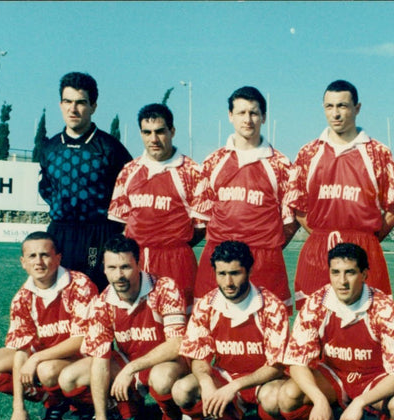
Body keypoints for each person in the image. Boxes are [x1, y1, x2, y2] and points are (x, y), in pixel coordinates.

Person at [278, 243, 394, 420]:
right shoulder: (316, 303)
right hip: (335, 377)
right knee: (288, 394)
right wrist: (319, 400)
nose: (342, 281)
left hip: (374, 380)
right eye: (335, 272)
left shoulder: (384, 308)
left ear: (364, 274)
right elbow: (296, 362)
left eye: (350, 272)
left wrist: (359, 402)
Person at [58, 235, 189, 420]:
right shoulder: (102, 303)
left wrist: (131, 369)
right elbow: (99, 362)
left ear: (138, 265)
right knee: (69, 378)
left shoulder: (165, 288)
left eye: (126, 267)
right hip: (131, 361)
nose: (119, 275)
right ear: (104, 269)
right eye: (112, 267)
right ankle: (128, 413)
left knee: (161, 377)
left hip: (168, 362)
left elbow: (176, 344)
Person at [286, 80, 394, 310]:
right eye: (330, 107)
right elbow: (297, 207)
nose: (336, 114)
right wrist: (323, 235)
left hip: (364, 248)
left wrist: (366, 238)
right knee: (313, 327)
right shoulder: (309, 152)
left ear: (357, 108)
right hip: (319, 248)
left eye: (343, 106)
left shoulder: (378, 152)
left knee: (368, 328)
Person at [172, 241, 290, 420]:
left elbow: (277, 366)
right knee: (182, 389)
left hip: (262, 379)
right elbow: (198, 356)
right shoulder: (206, 304)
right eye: (222, 273)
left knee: (273, 398)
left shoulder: (272, 306)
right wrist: (207, 383)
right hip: (225, 374)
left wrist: (236, 386)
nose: (228, 282)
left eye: (235, 273)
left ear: (250, 270)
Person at [0, 231, 97, 420]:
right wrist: (18, 408)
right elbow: (22, 351)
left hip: (82, 357)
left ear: (58, 258)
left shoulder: (80, 285)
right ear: (23, 262)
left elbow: (82, 340)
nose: (38, 262)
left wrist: (38, 358)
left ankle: (84, 408)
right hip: (47, 359)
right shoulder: (22, 298)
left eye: (45, 255)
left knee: (46, 370)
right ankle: (53, 402)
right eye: (32, 256)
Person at [192, 86, 297, 310]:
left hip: (264, 260)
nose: (247, 119)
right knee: (212, 328)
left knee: (266, 330)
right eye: (241, 113)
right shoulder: (213, 162)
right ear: (230, 116)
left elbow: (291, 221)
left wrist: (269, 246)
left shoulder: (281, 165)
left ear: (264, 117)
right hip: (219, 258)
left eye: (253, 113)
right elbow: (202, 217)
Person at [38, 71, 133, 291]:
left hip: (97, 236)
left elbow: (128, 193)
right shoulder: (50, 148)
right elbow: (47, 189)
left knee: (94, 293)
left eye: (81, 102)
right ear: (60, 104)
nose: (73, 109)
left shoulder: (110, 148)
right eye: (67, 101)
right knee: (58, 294)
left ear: (93, 107)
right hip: (60, 233)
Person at [108, 103, 205, 310]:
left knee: (178, 323)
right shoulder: (129, 171)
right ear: (141, 133)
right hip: (136, 260)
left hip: (176, 260)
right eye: (147, 132)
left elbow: (201, 226)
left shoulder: (192, 172)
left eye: (160, 132)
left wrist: (175, 245)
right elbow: (119, 223)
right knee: (139, 324)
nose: (153, 139)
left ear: (172, 131)